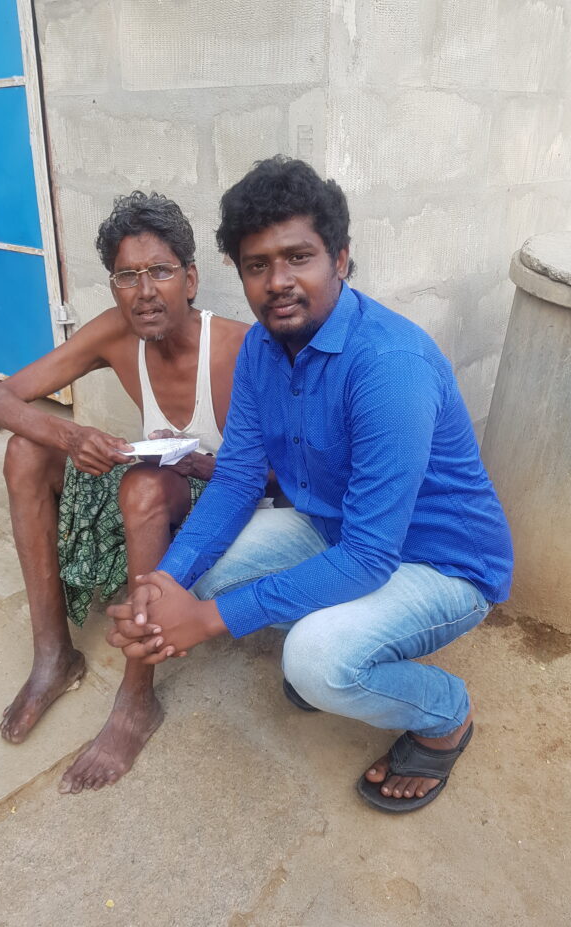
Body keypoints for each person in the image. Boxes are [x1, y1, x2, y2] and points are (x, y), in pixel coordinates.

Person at [107, 157, 514, 813]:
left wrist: (205, 622)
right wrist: (163, 585)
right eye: (257, 265)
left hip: (442, 563)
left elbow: (372, 556)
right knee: (202, 574)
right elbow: (237, 480)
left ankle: (445, 716)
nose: (278, 282)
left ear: (341, 259)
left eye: (299, 257)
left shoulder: (388, 365)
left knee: (316, 662)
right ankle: (337, 634)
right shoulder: (261, 350)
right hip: (335, 529)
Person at [0, 191, 248, 793]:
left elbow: (285, 473)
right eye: (128, 276)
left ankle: (137, 697)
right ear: (114, 287)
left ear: (191, 279)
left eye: (160, 271)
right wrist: (72, 435)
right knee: (26, 449)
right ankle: (54, 656)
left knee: (145, 487)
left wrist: (200, 465)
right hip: (149, 486)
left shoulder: (236, 346)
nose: (144, 291)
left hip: (218, 499)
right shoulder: (116, 334)